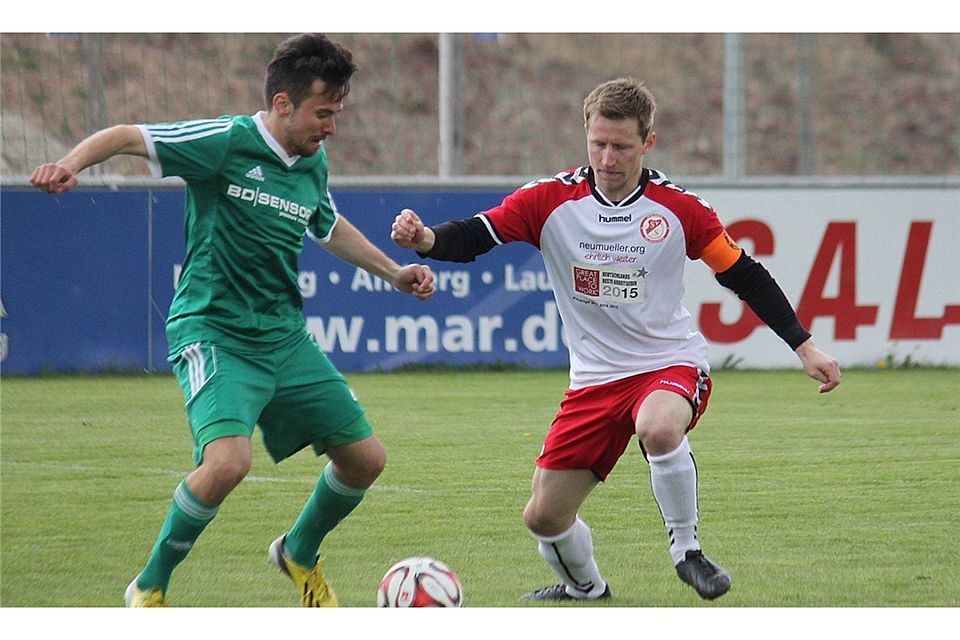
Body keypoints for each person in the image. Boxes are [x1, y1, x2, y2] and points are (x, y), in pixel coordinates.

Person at [391, 77, 841, 603]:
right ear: (586, 135)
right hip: (594, 382)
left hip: (667, 363)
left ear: (648, 143)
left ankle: (687, 551)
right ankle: (586, 589)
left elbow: (743, 274)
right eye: (598, 144)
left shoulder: (681, 210)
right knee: (544, 516)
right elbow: (477, 235)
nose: (608, 157)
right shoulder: (549, 201)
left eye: (622, 146)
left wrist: (803, 345)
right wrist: (425, 239)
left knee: (657, 426)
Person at [30, 33, 435, 607]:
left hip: (283, 337)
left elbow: (327, 225)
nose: (332, 127)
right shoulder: (226, 141)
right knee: (227, 462)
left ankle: (297, 551)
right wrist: (69, 163)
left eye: (338, 113)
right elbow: (127, 136)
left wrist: (393, 272)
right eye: (324, 113)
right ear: (282, 104)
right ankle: (148, 587)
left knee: (365, 459)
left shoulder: (311, 161)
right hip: (213, 331)